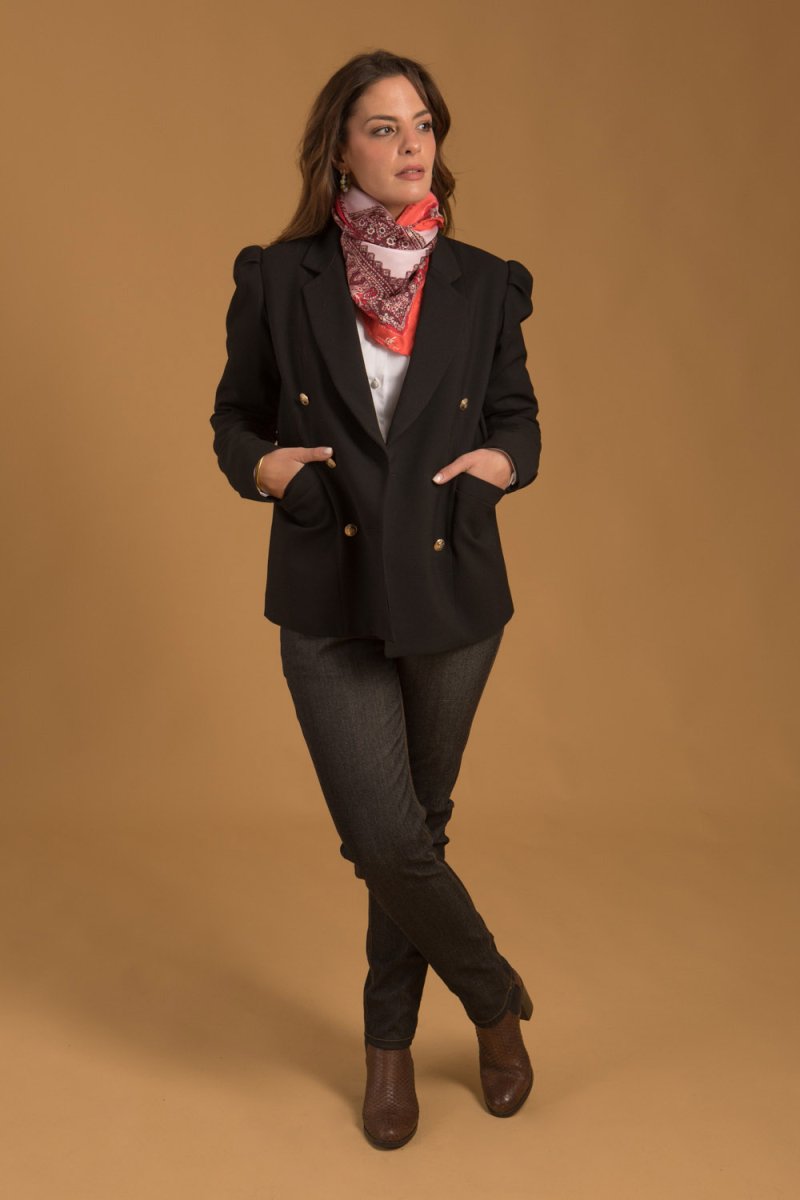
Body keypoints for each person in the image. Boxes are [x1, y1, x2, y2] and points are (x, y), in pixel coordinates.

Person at [210, 48, 542, 1149]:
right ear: (339, 150)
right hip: (329, 586)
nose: (411, 146)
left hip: (451, 588)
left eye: (423, 125)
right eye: (384, 127)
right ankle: (493, 996)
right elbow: (235, 418)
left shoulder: (484, 281)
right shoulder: (279, 277)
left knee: (417, 830)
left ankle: (386, 1049)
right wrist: (266, 468)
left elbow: (516, 416)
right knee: (389, 836)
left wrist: (500, 464)